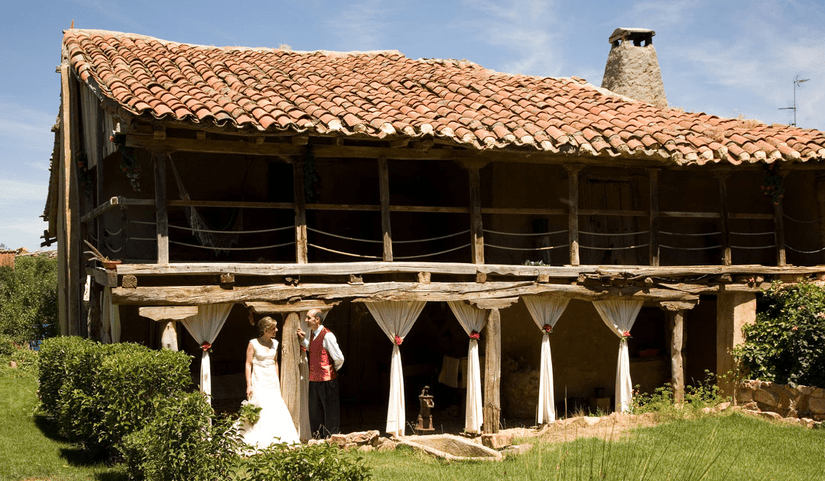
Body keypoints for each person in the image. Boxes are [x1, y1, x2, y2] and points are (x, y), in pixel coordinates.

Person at [239, 316, 300, 448]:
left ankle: (277, 436)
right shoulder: (253, 343)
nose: (276, 330)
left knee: (275, 406)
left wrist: (277, 381)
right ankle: (258, 438)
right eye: (273, 328)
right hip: (258, 378)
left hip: (271, 378)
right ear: (266, 330)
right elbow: (248, 364)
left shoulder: (275, 343)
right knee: (260, 405)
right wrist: (248, 385)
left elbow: (275, 362)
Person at [297, 308, 344, 438]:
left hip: (327, 380)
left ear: (317, 320)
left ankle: (332, 438)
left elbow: (339, 358)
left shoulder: (327, 335)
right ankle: (317, 438)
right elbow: (313, 348)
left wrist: (331, 370)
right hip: (314, 379)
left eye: (308, 318)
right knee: (315, 411)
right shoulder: (313, 334)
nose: (306, 320)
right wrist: (303, 340)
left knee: (330, 412)